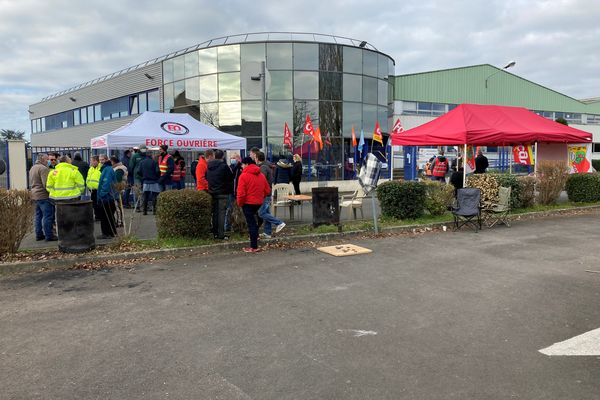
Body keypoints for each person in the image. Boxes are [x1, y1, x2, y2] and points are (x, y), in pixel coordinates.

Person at [237, 157, 270, 253]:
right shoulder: (261, 175)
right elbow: (267, 190)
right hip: (258, 202)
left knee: (251, 224)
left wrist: (240, 203)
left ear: (246, 164)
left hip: (247, 203)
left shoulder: (243, 176)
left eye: (242, 165)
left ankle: (254, 246)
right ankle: (255, 237)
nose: (241, 167)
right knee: (255, 222)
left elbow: (241, 193)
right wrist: (260, 197)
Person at [256, 151, 285, 239]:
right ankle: (267, 233)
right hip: (267, 192)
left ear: (257, 158)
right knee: (266, 213)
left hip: (265, 193)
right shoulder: (266, 166)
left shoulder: (263, 168)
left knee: (261, 213)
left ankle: (279, 223)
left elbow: (261, 180)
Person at [206, 149, 233, 239]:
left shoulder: (208, 166)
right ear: (222, 157)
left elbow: (207, 177)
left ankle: (215, 233)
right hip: (222, 192)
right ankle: (221, 234)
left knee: (215, 214)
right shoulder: (224, 166)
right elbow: (230, 178)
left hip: (212, 192)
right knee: (221, 214)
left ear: (214, 156)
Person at [29, 153, 57, 242]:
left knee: (38, 216)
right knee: (47, 216)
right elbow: (46, 184)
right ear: (42, 159)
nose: (48, 161)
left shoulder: (33, 168)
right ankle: (49, 235)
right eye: (46, 159)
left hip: (35, 195)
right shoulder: (43, 169)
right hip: (43, 195)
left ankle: (39, 235)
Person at [97, 156, 117, 239]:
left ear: (106, 160)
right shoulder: (108, 169)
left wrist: (102, 194)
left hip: (106, 198)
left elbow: (106, 182)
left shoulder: (107, 169)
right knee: (110, 216)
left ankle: (106, 233)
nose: (100, 162)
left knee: (105, 216)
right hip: (109, 197)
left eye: (102, 160)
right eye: (100, 160)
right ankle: (112, 232)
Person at [137, 150, 161, 215]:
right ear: (151, 155)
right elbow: (158, 171)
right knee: (154, 197)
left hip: (145, 181)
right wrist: (157, 177)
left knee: (145, 197)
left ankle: (145, 211)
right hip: (154, 181)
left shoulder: (142, 162)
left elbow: (138, 171)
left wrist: (143, 176)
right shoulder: (154, 162)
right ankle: (154, 211)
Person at [225, 153, 242, 233]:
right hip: (231, 192)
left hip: (238, 192)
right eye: (231, 158)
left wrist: (239, 165)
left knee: (238, 210)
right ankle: (227, 227)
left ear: (238, 158)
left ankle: (238, 227)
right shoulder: (230, 167)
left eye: (234, 158)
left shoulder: (241, 168)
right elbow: (231, 175)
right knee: (230, 209)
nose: (232, 159)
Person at [127, 145, 145, 210]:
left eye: (145, 149)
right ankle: (137, 206)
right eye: (143, 149)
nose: (144, 150)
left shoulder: (146, 156)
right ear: (139, 149)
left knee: (143, 192)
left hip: (145, 177)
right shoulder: (135, 156)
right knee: (137, 192)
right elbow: (131, 166)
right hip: (137, 176)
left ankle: (142, 206)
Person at [86, 156, 102, 221]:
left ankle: (100, 216)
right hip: (92, 190)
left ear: (96, 161)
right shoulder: (91, 169)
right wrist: (89, 186)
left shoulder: (101, 168)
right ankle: (97, 216)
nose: (91, 162)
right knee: (94, 204)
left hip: (99, 190)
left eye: (92, 161)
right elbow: (88, 178)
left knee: (99, 204)